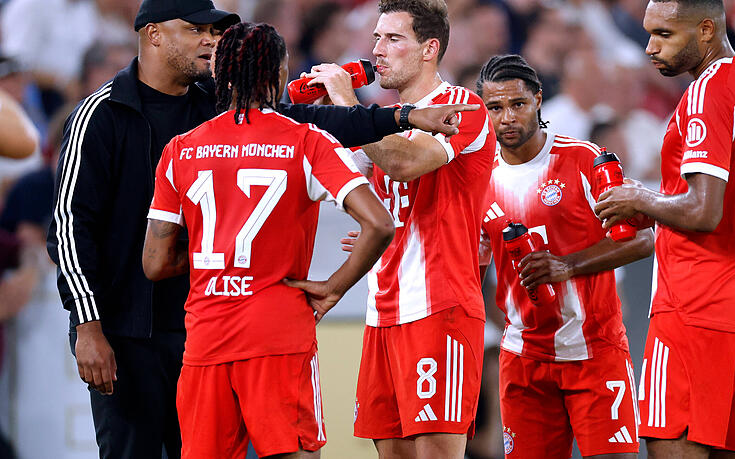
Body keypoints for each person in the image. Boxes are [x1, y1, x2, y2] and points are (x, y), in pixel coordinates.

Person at [45, 0, 479, 457]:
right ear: (153, 34)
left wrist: (400, 116)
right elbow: (69, 228)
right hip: (142, 332)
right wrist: (87, 325)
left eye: (214, 33)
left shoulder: (192, 136)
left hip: (200, 329)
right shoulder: (103, 113)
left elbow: (155, 262)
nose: (208, 41)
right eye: (195, 30)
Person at [142, 22, 394, 458]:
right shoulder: (306, 140)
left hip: (207, 338)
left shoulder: (181, 149)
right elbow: (379, 224)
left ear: (220, 74)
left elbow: (155, 262)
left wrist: (217, 250)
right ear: (279, 74)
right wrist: (333, 289)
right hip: (278, 333)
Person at [595, 0, 735, 457]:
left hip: (696, 312)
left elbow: (704, 212)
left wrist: (638, 197)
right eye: (649, 33)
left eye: (664, 34)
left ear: (706, 30)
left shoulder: (707, 92)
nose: (649, 47)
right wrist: (652, 206)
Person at [306, 1, 497, 457]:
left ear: (429, 49)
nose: (377, 50)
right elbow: (328, 183)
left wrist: (349, 107)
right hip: (382, 312)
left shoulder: (461, 107)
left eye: (393, 39)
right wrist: (315, 121)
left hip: (439, 307)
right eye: (376, 37)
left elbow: (405, 162)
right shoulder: (385, 122)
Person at [476, 54, 652, 459]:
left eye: (518, 104)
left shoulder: (584, 160)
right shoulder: (478, 178)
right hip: (523, 359)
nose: (507, 118)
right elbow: (473, 265)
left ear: (538, 100)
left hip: (595, 351)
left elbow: (643, 239)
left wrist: (566, 266)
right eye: (495, 107)